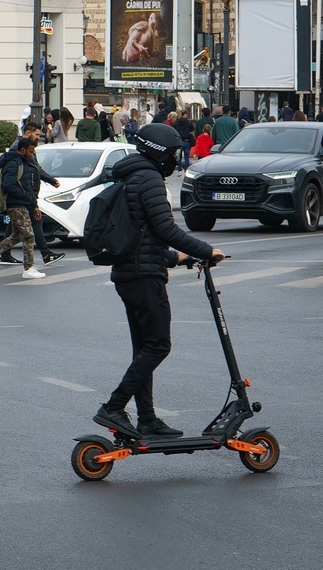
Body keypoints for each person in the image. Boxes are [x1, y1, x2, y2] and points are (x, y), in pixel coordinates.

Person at [92, 125, 225, 439]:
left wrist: (179, 258)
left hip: (130, 272)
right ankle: (114, 406)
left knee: (144, 349)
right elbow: (166, 229)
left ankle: (148, 419)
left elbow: (142, 235)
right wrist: (207, 250)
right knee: (158, 345)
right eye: (173, 153)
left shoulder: (130, 176)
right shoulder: (148, 178)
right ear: (160, 152)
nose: (174, 158)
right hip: (142, 277)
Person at [0, 122, 63, 266]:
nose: (39, 137)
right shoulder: (19, 152)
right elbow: (22, 177)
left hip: (25, 196)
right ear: (27, 133)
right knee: (31, 230)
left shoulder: (26, 148)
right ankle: (42, 256)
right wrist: (31, 198)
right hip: (22, 197)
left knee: (16, 229)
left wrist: (50, 180)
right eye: (37, 134)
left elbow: (35, 169)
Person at [0, 137, 46, 279]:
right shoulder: (13, 163)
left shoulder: (21, 162)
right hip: (16, 204)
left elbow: (26, 185)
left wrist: (33, 204)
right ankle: (29, 268)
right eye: (30, 151)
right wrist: (27, 198)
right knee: (28, 235)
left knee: (17, 235)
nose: (32, 154)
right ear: (22, 150)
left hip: (21, 203)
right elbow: (10, 185)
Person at [173, 110, 195, 176]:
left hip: (179, 141)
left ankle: (179, 170)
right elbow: (192, 129)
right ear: (184, 114)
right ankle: (186, 170)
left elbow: (174, 129)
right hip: (186, 141)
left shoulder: (176, 122)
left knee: (179, 157)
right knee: (186, 157)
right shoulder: (188, 122)